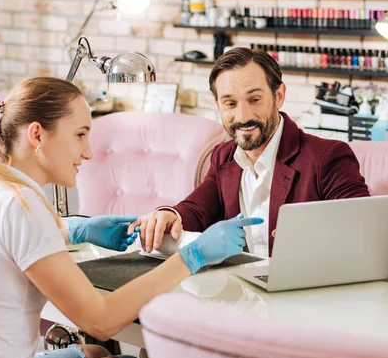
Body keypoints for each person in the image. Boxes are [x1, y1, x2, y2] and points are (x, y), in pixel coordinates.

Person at [0, 77, 262, 358]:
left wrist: (75, 230)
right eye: (79, 135)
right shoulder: (25, 205)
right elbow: (102, 321)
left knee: (95, 355)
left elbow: (2, 236)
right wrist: (192, 257)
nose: (88, 152)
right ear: (37, 134)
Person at [134, 47, 370, 258]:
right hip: (242, 294)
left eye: (255, 99)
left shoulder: (328, 157)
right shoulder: (223, 156)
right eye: (230, 103)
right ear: (218, 105)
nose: (243, 116)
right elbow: (197, 208)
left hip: (308, 296)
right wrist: (170, 214)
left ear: (279, 96)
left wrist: (313, 237)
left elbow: (364, 232)